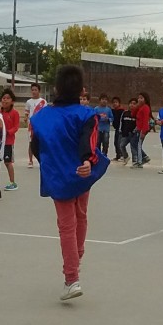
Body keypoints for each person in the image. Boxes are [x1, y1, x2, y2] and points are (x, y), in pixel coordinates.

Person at [29, 65, 109, 300]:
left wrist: (50, 163)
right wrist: (87, 161)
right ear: (81, 90)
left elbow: (36, 146)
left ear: (56, 88)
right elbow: (89, 141)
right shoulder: (87, 114)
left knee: (66, 225)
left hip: (57, 175)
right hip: (81, 173)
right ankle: (77, 258)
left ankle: (71, 279)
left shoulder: (41, 116)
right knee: (81, 215)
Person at [0, 89, 21, 191]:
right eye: (4, 98)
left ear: (12, 101)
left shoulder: (14, 113)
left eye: (8, 98)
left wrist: (8, 132)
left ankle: (13, 182)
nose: (5, 100)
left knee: (7, 162)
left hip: (8, 142)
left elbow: (16, 126)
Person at [24, 83, 47, 168]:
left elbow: (45, 113)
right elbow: (26, 112)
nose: (34, 92)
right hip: (31, 125)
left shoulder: (43, 102)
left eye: (35, 90)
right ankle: (30, 160)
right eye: (32, 90)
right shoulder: (28, 102)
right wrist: (26, 118)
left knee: (41, 143)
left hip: (40, 125)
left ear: (39, 91)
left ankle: (42, 160)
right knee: (31, 143)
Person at [132, 92, 152, 168]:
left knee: (138, 144)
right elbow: (133, 114)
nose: (139, 99)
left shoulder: (146, 107)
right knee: (134, 143)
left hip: (142, 129)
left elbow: (145, 120)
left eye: (141, 98)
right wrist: (137, 106)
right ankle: (144, 157)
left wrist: (143, 131)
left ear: (145, 99)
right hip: (138, 128)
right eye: (139, 98)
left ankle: (140, 161)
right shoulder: (140, 107)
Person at [117, 98, 138, 164]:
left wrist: (135, 130)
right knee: (121, 145)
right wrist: (120, 129)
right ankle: (125, 157)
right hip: (125, 133)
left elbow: (138, 123)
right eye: (131, 103)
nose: (132, 105)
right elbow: (121, 121)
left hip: (133, 134)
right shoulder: (125, 113)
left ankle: (135, 160)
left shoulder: (137, 114)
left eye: (134, 104)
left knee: (133, 147)